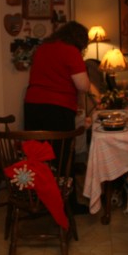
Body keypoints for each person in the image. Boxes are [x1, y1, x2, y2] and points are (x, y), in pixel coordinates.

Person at [24, 21, 90, 212]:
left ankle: (38, 200)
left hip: (33, 106)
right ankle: (66, 205)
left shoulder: (43, 48)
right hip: (58, 109)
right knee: (62, 158)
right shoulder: (71, 51)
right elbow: (83, 86)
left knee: (39, 156)